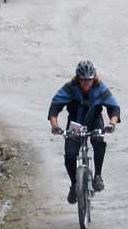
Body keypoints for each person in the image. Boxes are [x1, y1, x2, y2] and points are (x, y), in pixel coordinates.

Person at [48, 60, 120, 204]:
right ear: (78, 79)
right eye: (83, 80)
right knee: (70, 154)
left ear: (94, 78)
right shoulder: (70, 89)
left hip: (94, 120)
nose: (86, 83)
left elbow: (114, 108)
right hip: (76, 123)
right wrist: (55, 126)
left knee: (98, 141)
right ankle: (75, 184)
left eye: (89, 80)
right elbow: (54, 108)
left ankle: (98, 176)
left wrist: (112, 123)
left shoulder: (100, 88)